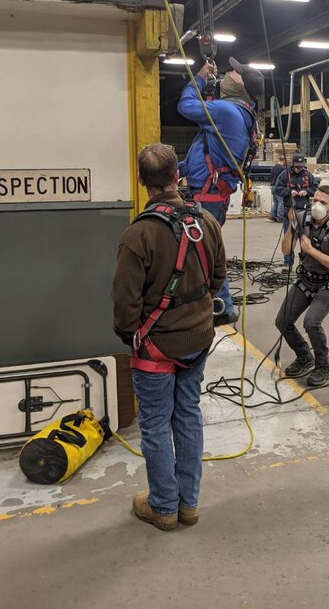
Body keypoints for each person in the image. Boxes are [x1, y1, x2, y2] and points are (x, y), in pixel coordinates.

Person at [112, 143, 226, 531]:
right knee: (188, 415)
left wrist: (130, 335)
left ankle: (163, 506)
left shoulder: (139, 233)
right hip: (198, 339)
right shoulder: (205, 222)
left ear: (141, 180)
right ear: (178, 176)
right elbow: (218, 279)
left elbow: (124, 301)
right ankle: (188, 505)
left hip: (155, 347)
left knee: (157, 423)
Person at [177, 56, 264, 326]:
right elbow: (208, 151)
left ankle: (223, 306)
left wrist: (200, 77)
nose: (228, 73)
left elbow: (185, 105)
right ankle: (216, 302)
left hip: (208, 195)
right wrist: (181, 168)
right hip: (212, 191)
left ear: (241, 86)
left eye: (234, 73)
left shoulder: (226, 112)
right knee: (204, 249)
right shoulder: (239, 114)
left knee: (203, 251)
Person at [275, 184, 329, 387]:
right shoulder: (302, 219)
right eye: (315, 200)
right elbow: (285, 250)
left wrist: (311, 250)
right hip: (306, 280)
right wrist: (292, 227)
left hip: (328, 285)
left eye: (322, 202)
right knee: (283, 321)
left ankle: (322, 366)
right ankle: (304, 355)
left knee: (311, 323)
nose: (316, 205)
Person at [274, 153, 318, 271]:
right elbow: (277, 189)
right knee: (290, 238)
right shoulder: (285, 174)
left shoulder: (308, 175)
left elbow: (315, 188)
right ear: (292, 164)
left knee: (305, 237)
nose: (299, 168)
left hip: (304, 213)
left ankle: (305, 264)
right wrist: (289, 192)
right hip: (291, 213)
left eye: (301, 166)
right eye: (297, 166)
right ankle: (288, 264)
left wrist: (306, 191)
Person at [269, 155, 286, 222]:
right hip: (278, 187)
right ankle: (280, 217)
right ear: (283, 161)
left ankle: (272, 215)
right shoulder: (283, 169)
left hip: (272, 186)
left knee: (275, 202)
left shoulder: (273, 168)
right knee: (281, 202)